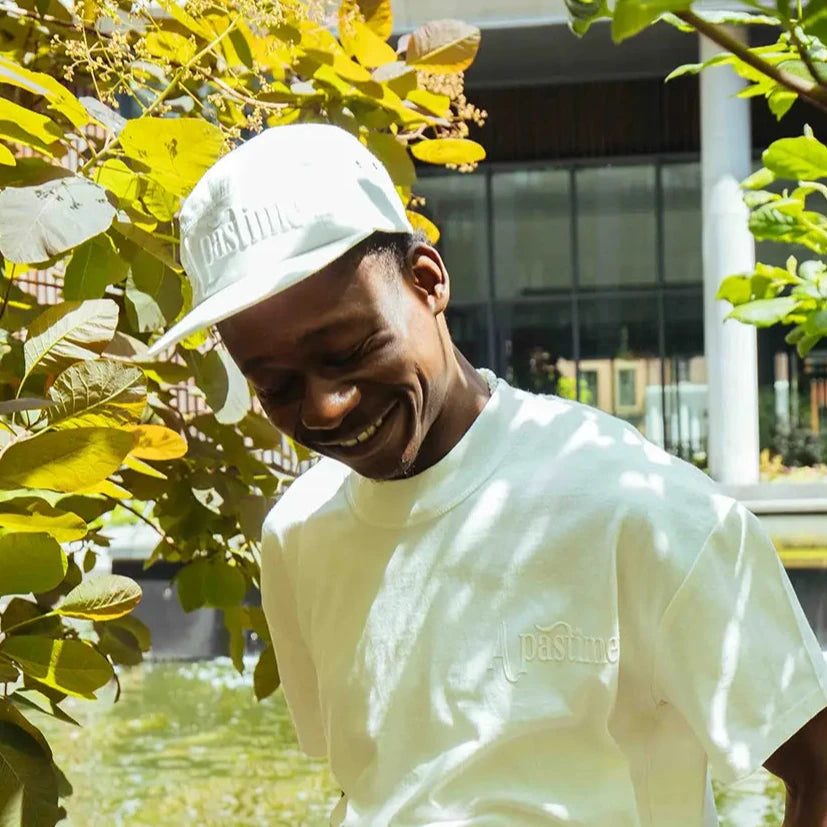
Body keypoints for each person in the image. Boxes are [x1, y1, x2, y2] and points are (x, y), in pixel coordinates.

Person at [146, 124, 827, 826]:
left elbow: (818, 769)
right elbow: (377, 786)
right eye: (277, 385)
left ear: (426, 281)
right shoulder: (297, 531)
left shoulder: (639, 508)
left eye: (350, 349)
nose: (323, 405)